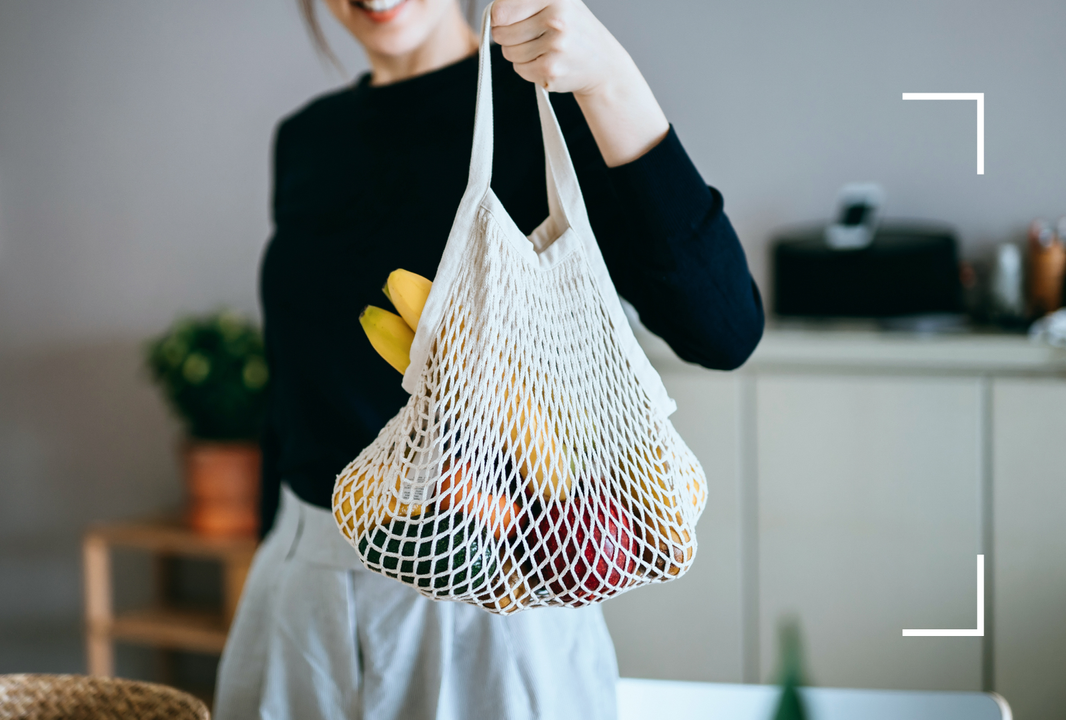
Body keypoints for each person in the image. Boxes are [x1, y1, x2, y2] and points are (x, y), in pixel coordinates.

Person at [214, 0, 763, 717]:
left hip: (489, 589)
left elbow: (724, 328)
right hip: (302, 589)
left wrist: (611, 81)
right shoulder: (307, 139)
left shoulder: (546, 101)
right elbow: (296, 388)